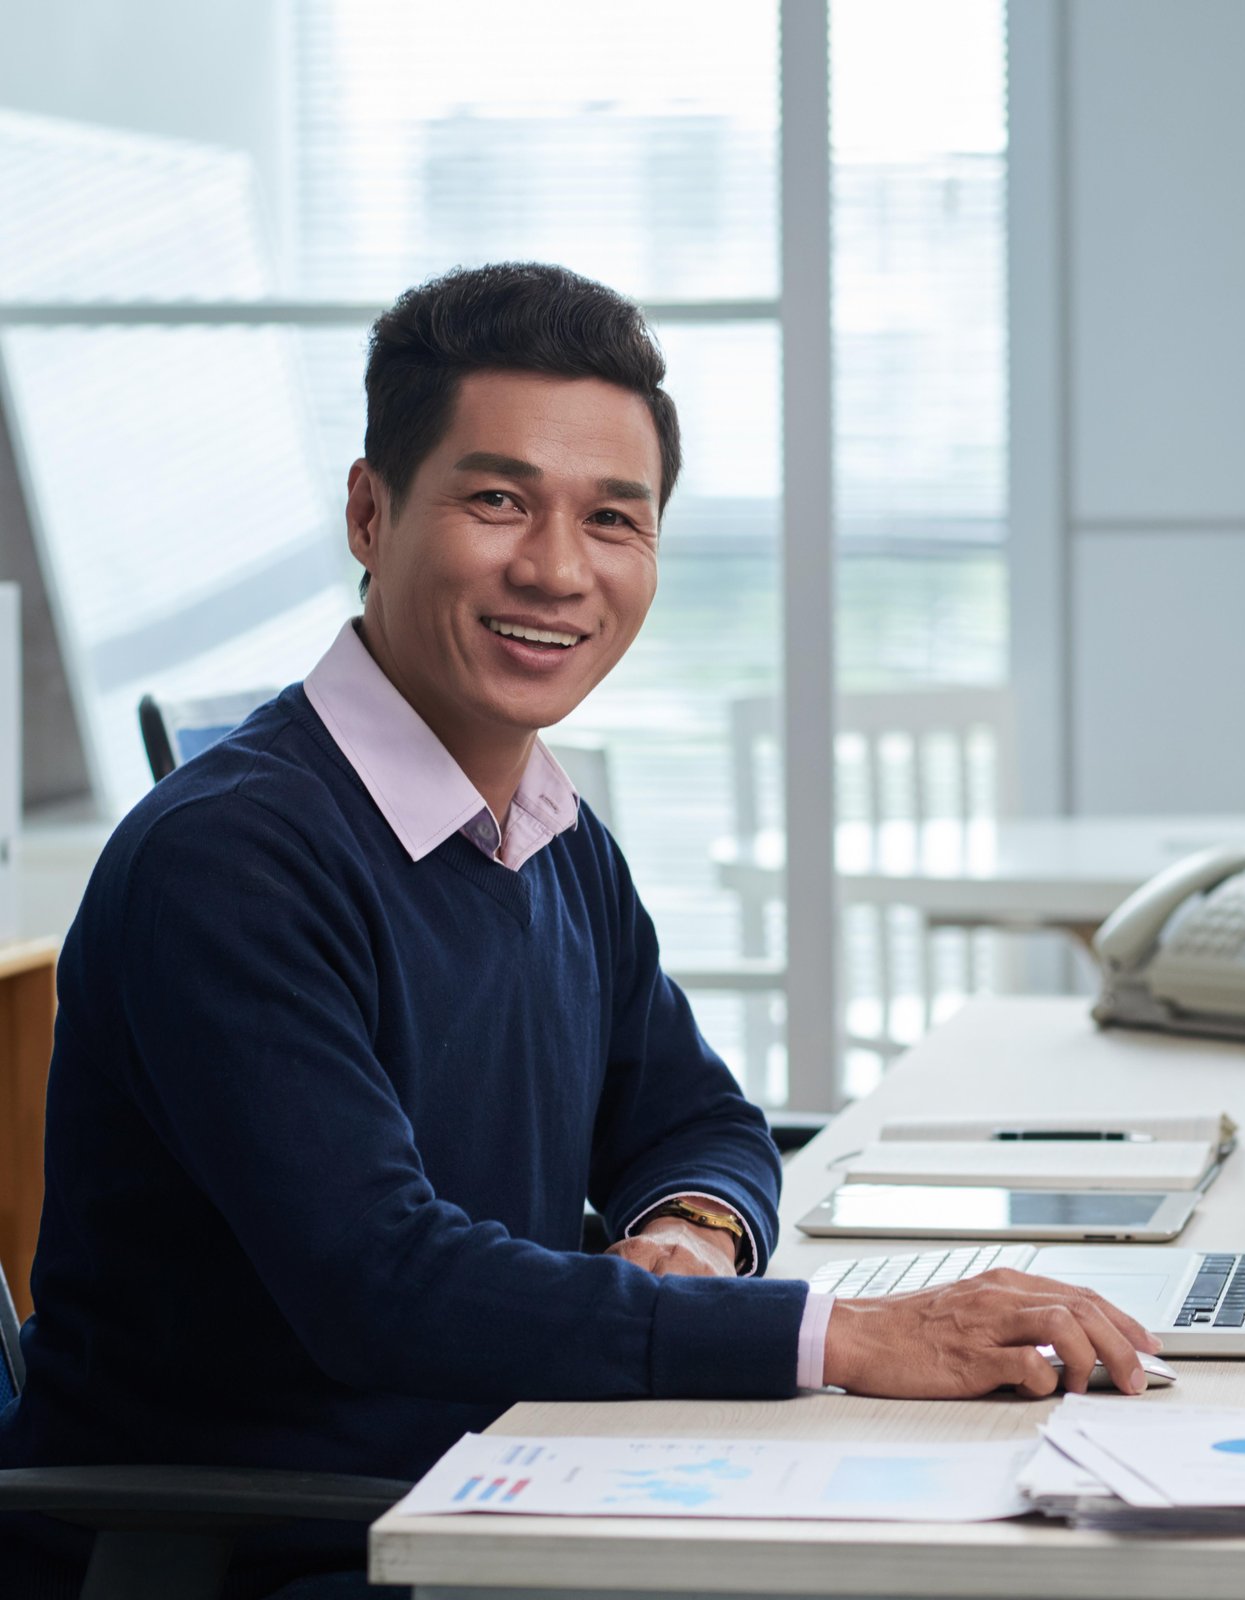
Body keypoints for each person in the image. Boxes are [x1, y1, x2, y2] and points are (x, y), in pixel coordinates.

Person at [0, 262, 1157, 1597]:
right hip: (272, 1548)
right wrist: (838, 1337)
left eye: (615, 517)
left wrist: (692, 1239)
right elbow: (385, 1281)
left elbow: (699, 1119)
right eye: (497, 499)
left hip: (507, 1486)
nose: (556, 569)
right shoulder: (230, 862)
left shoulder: (550, 833)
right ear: (372, 513)